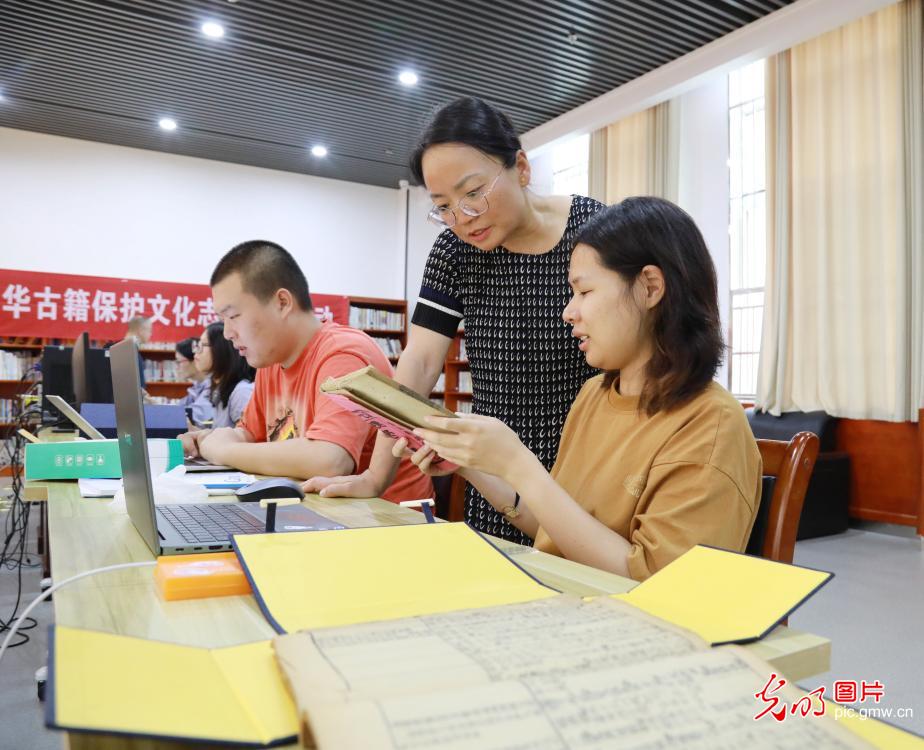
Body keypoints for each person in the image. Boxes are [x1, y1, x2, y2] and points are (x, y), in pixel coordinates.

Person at [404, 197, 762, 580]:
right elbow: (558, 530)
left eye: (584, 292)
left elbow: (658, 585)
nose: (568, 311)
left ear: (650, 287)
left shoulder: (709, 423)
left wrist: (518, 464)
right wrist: (473, 465)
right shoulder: (595, 395)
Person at [305, 97, 604, 542]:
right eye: (443, 205)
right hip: (495, 484)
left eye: (473, 193)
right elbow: (419, 366)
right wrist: (375, 477)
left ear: (521, 168)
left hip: (588, 477)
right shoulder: (455, 253)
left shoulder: (595, 231)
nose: (462, 219)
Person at [179, 240, 432, 503]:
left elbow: (331, 460)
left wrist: (223, 452)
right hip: (320, 512)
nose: (228, 333)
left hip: (385, 522)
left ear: (282, 302)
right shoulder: (271, 360)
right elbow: (248, 434)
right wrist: (211, 440)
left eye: (234, 317)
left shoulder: (342, 354)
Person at [192, 322, 255, 429]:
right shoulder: (219, 388)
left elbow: (247, 441)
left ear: (220, 349)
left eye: (202, 345)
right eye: (197, 345)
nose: (196, 353)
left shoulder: (241, 392)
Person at [175, 337, 214, 427]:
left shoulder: (213, 386)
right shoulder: (198, 386)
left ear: (194, 360)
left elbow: (195, 415)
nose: (177, 367)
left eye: (179, 361)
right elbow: (179, 407)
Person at [124, 315, 154, 397]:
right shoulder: (128, 353)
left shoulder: (130, 351)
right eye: (150, 331)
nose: (151, 334)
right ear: (141, 330)